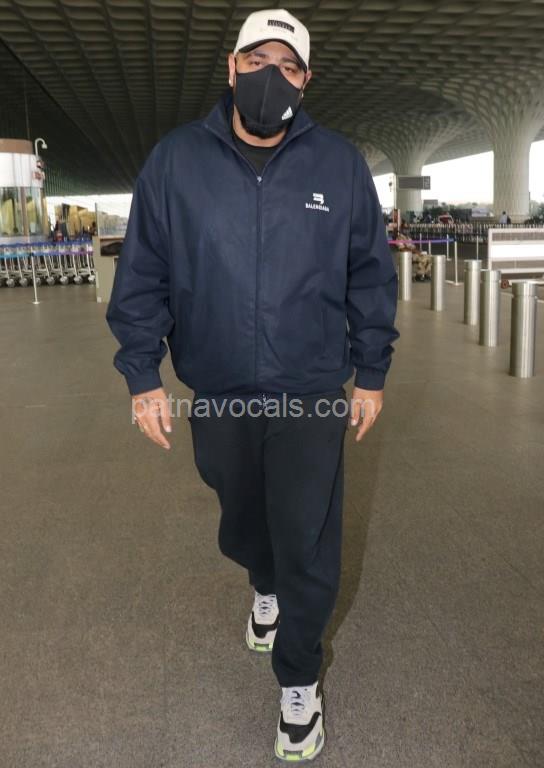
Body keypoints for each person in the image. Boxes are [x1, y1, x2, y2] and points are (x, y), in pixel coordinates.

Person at [106, 8, 399, 762]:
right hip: (220, 389)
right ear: (232, 67)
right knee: (243, 523)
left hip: (310, 390)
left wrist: (371, 372)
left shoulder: (338, 166)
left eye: (289, 66)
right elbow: (143, 273)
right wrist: (142, 375)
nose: (273, 75)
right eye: (259, 59)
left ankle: (298, 681)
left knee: (307, 537)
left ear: (306, 80)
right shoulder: (176, 162)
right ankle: (261, 583)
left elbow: (370, 272)